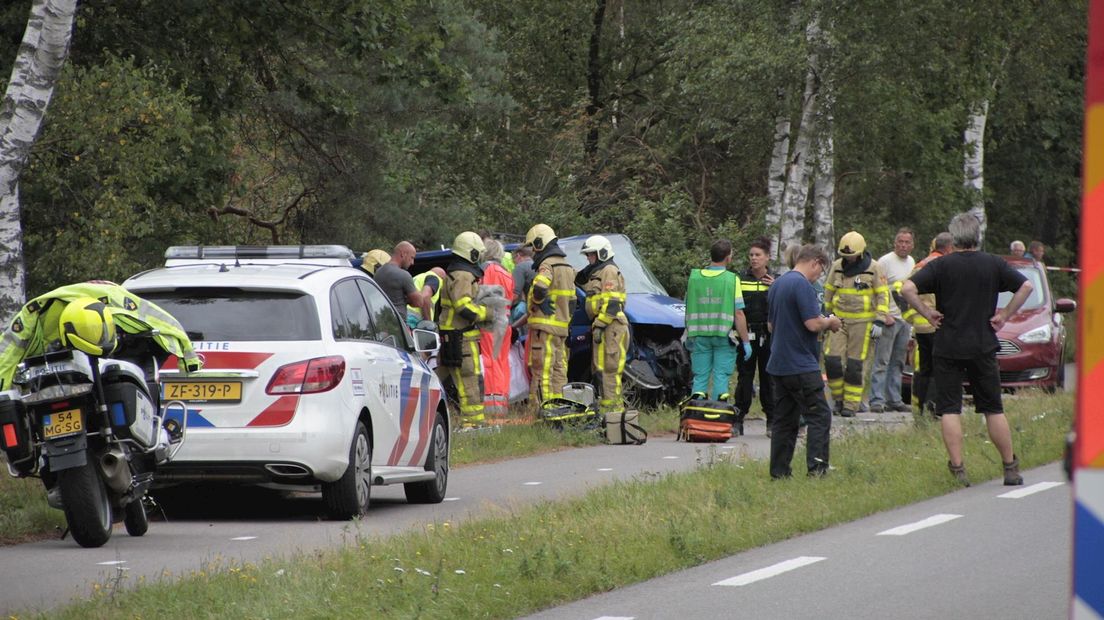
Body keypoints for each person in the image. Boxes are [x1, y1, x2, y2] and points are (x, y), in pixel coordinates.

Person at [900, 212, 1033, 487]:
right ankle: (1010, 467)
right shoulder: (993, 263)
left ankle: (958, 469)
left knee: (950, 409)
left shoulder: (941, 265)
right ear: (977, 236)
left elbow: (907, 288)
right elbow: (1027, 286)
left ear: (954, 237)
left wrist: (927, 312)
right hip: (983, 344)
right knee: (993, 409)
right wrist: (1005, 314)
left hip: (948, 344)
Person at [766, 245, 842, 479]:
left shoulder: (777, 284)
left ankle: (779, 472)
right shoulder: (802, 285)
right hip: (801, 364)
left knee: (784, 421)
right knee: (819, 415)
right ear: (815, 262)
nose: (818, 276)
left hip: (779, 363)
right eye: (820, 271)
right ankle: (817, 469)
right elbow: (812, 323)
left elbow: (771, 325)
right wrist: (830, 322)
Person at [823, 231, 890, 417]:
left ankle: (850, 405)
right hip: (838, 321)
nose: (848, 259)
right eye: (844, 256)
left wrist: (880, 319)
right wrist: (826, 316)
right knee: (832, 360)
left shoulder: (874, 268)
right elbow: (828, 292)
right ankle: (838, 399)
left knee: (855, 365)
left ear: (860, 253)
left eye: (850, 255)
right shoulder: (837, 267)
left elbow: (883, 294)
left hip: (863, 322)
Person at [437, 232, 492, 429]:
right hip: (461, 338)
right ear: (472, 253)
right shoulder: (462, 275)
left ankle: (475, 423)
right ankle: (472, 425)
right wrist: (487, 313)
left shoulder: (458, 272)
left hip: (458, 336)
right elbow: (464, 307)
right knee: (469, 382)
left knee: (467, 380)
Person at [685, 239, 750, 402]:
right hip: (723, 336)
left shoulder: (694, 278)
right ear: (728, 257)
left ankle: (698, 416)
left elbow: (688, 307)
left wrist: (687, 334)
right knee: (721, 376)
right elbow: (739, 313)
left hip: (699, 336)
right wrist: (746, 342)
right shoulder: (731, 279)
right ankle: (718, 413)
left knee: (700, 377)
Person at [523, 224, 577, 403]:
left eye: (533, 245)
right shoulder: (568, 266)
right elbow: (573, 301)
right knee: (559, 372)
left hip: (544, 329)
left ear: (540, 243)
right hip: (561, 331)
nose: (532, 251)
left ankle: (542, 412)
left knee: (541, 372)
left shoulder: (547, 264)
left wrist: (538, 301)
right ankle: (559, 410)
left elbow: (539, 287)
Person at [577, 235, 629, 415]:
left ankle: (615, 415)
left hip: (611, 326)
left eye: (591, 255)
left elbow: (612, 304)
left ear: (601, 254)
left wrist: (599, 324)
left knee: (610, 371)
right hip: (604, 326)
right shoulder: (597, 273)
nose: (588, 258)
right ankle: (607, 415)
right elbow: (582, 282)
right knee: (601, 371)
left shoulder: (609, 270)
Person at [902, 232, 953, 414]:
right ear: (949, 248)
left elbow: (904, 292)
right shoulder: (945, 266)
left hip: (921, 327)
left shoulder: (919, 265)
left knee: (923, 369)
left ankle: (918, 410)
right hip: (938, 325)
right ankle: (933, 410)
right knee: (938, 370)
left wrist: (911, 318)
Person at [869, 227, 915, 413]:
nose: (903, 245)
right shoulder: (885, 262)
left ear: (912, 245)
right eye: (900, 242)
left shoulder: (911, 262)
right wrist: (883, 315)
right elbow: (875, 289)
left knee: (898, 361)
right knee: (882, 360)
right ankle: (877, 399)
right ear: (894, 243)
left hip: (905, 320)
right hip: (889, 318)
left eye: (907, 242)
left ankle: (894, 399)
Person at [734, 236, 777, 436]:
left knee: (769, 379)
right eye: (751, 255)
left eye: (758, 255)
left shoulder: (775, 280)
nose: (754, 258)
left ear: (767, 257)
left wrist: (776, 287)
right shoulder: (740, 279)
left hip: (768, 336)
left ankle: (772, 421)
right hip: (746, 335)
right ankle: (738, 419)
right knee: (745, 378)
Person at [479, 239, 515, 420]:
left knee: (490, 361)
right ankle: (501, 404)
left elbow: (478, 295)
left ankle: (491, 407)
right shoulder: (507, 273)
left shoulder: (484, 269)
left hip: (490, 321)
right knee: (502, 362)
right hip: (505, 321)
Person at [374, 241, 429, 318]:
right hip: (397, 324)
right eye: (412, 257)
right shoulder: (404, 275)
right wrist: (407, 299)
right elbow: (419, 302)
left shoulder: (379, 271)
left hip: (380, 319)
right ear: (403, 254)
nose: (412, 262)